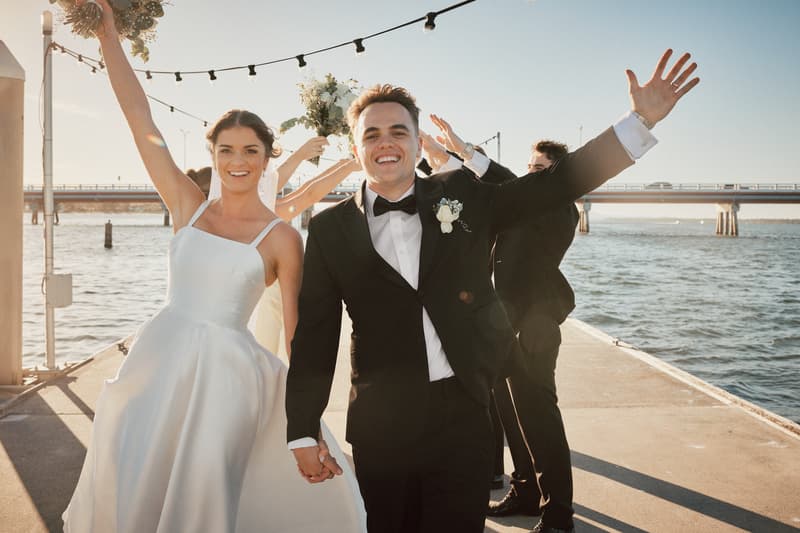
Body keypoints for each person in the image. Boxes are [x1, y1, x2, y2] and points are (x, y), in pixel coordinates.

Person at [286, 49, 699, 533]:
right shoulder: (331, 230)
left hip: (462, 418)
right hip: (381, 426)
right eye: (371, 134)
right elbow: (314, 336)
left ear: (419, 144)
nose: (386, 143)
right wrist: (302, 430)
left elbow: (555, 185)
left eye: (399, 131)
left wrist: (637, 122)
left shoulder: (461, 196)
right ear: (355, 149)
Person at [62, 1, 365, 531]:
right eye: (226, 150)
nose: (238, 161)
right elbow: (139, 118)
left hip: (228, 381)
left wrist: (306, 426)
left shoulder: (283, 238)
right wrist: (108, 33)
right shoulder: (187, 205)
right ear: (214, 153)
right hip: (157, 363)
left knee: (207, 487)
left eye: (250, 150)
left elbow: (298, 336)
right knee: (136, 475)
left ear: (268, 157)